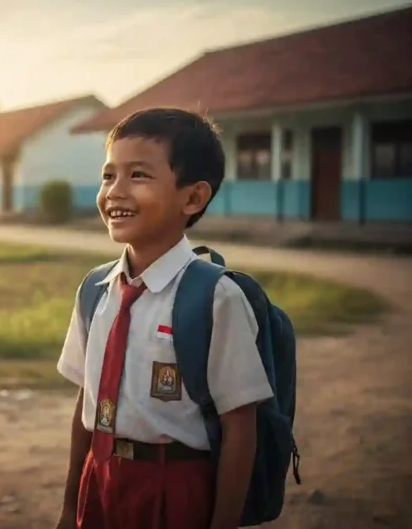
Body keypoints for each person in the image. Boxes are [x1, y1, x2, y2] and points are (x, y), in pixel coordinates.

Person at [54, 108, 275, 529]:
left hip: (174, 488)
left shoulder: (215, 297)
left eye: (138, 175)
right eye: (108, 176)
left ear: (192, 198)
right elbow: (86, 400)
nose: (115, 192)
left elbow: (240, 426)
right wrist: (70, 508)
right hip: (98, 478)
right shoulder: (95, 290)